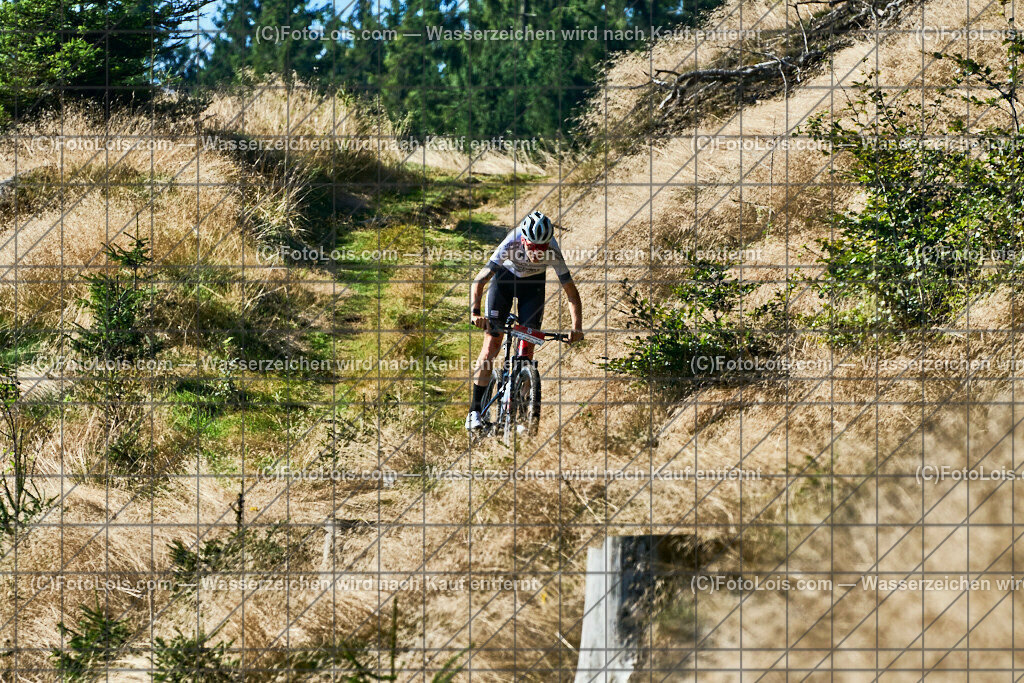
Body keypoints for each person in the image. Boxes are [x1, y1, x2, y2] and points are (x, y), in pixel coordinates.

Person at [465, 210, 583, 430]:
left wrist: (576, 328)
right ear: (523, 239)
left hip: (533, 288)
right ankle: (474, 411)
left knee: (527, 350)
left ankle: (520, 413)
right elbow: (479, 281)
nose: (538, 254)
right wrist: (475, 313)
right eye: (532, 248)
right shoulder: (511, 241)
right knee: (492, 344)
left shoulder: (553, 250)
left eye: (542, 249)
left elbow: (571, 293)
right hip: (504, 283)